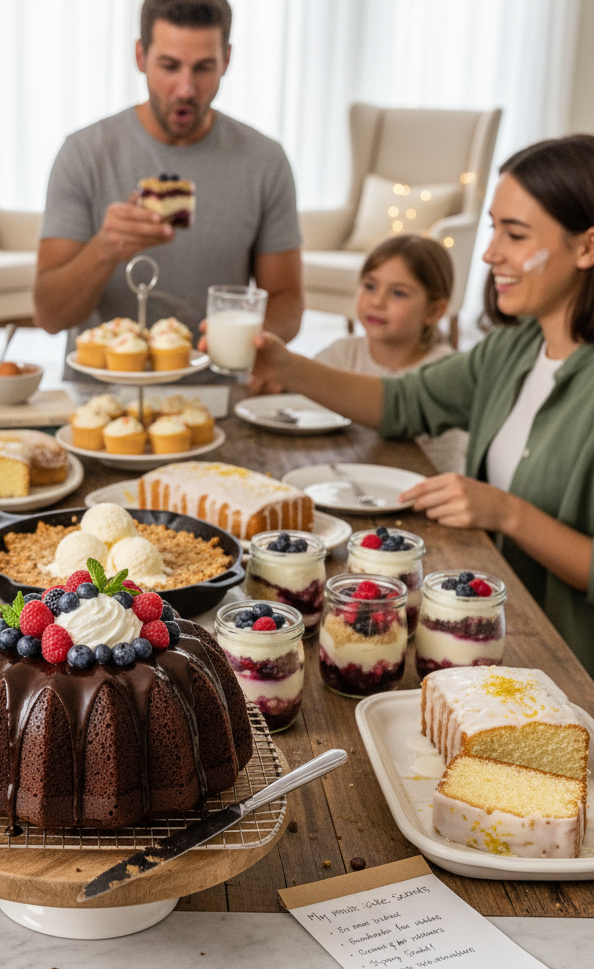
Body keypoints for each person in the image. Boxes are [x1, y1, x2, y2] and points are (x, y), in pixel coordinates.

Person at [248, 134, 594, 675]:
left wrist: (506, 512)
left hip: (563, 666)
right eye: (493, 229)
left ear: (586, 247)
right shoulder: (512, 348)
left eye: (515, 234)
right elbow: (401, 401)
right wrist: (284, 365)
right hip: (491, 641)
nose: (490, 253)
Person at [34, 0, 303, 361]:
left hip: (216, 385)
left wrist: (245, 343)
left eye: (204, 67)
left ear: (226, 60)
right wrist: (105, 248)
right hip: (105, 395)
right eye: (170, 66)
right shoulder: (83, 154)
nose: (186, 89)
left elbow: (287, 299)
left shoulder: (265, 161)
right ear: (140, 56)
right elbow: (50, 317)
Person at [315, 234, 466, 473]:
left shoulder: (445, 372)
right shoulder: (342, 353)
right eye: (370, 286)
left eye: (398, 293)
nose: (377, 301)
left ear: (434, 311)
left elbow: (445, 466)